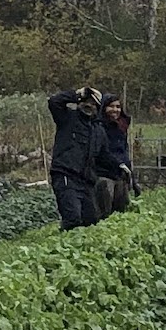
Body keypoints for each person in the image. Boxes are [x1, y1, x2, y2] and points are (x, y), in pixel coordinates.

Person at [45, 87, 106, 230]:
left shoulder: (98, 130)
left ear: (98, 108)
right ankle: (63, 248)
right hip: (66, 174)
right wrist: (76, 94)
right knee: (72, 218)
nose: (89, 105)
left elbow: (105, 157)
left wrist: (123, 167)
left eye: (93, 103)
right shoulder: (67, 118)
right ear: (79, 103)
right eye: (86, 102)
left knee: (90, 220)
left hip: (86, 180)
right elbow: (54, 102)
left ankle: (80, 249)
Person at [94, 96, 136, 216]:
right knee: (105, 210)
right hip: (104, 173)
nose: (115, 110)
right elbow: (102, 152)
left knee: (121, 211)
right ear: (104, 108)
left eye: (118, 107)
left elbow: (123, 150)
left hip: (121, 174)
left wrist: (129, 170)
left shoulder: (122, 126)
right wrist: (118, 164)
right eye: (111, 106)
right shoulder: (99, 127)